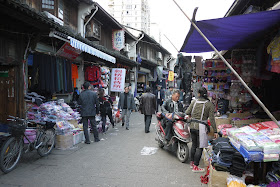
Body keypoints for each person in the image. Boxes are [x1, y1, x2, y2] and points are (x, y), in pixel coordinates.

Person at [186, 87, 218, 172]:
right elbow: (211, 119)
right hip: (201, 127)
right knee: (200, 147)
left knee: (194, 145)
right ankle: (195, 167)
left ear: (199, 94)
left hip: (192, 125)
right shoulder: (209, 104)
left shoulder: (194, 102)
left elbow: (187, 112)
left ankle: (192, 163)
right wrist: (215, 131)